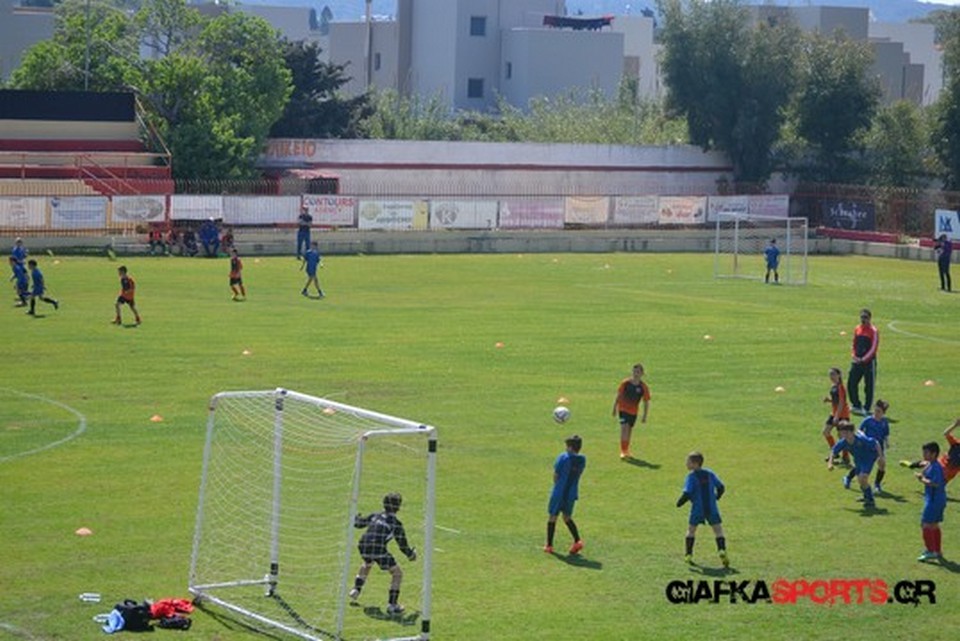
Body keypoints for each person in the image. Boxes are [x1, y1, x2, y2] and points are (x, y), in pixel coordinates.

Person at [348, 492, 417, 615]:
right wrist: (411, 555)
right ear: (398, 507)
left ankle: (355, 590)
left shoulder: (376, 515)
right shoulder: (396, 525)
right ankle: (392, 605)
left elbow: (358, 524)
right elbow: (402, 545)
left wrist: (356, 517)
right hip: (378, 549)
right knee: (397, 574)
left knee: (367, 563)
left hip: (363, 545)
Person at [676, 451, 728, 567]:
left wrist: (679, 503)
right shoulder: (710, 474)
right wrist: (717, 497)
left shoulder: (691, 477)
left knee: (691, 530)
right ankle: (722, 550)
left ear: (695, 464)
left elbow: (687, 493)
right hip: (712, 508)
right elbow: (721, 487)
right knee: (718, 530)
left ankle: (688, 554)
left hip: (697, 509)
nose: (686, 464)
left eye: (688, 462)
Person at [545, 434, 586, 556]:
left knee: (553, 517)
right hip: (571, 493)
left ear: (570, 447)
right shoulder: (582, 460)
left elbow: (556, 475)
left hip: (559, 492)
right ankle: (577, 541)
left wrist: (557, 486)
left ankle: (549, 546)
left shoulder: (563, 457)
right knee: (567, 517)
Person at [827, 421, 881, 509]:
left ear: (852, 432)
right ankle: (866, 496)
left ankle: (870, 500)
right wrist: (830, 463)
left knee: (863, 478)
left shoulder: (861, 439)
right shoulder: (843, 442)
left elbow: (875, 443)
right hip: (858, 460)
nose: (845, 435)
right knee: (861, 480)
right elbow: (834, 451)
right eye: (843, 432)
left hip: (868, 458)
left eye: (847, 432)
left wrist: (881, 456)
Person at [846, 400, 890, 492]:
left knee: (882, 465)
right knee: (861, 466)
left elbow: (886, 434)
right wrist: (863, 437)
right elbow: (859, 430)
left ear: (883, 413)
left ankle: (877, 485)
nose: (876, 413)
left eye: (879, 411)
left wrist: (887, 443)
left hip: (879, 447)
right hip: (867, 447)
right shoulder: (868, 420)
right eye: (875, 410)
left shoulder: (884, 422)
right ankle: (848, 477)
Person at [900, 418, 960, 485]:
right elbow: (946, 434)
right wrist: (955, 425)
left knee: (935, 483)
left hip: (948, 473)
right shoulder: (957, 444)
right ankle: (911, 465)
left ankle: (919, 473)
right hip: (941, 462)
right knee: (926, 463)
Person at [916, 441, 947, 562]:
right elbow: (925, 466)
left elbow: (935, 483)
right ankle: (937, 551)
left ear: (934, 454)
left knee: (925, 524)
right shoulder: (932, 464)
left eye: (926, 452)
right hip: (937, 499)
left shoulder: (936, 467)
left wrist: (922, 479)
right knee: (934, 525)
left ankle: (930, 551)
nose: (924, 454)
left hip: (934, 500)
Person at [612, 363, 650, 460]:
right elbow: (619, 395)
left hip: (633, 412)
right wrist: (614, 407)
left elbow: (646, 401)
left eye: (638, 372)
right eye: (634, 371)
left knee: (629, 430)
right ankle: (623, 451)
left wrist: (645, 415)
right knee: (624, 428)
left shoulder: (643, 387)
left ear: (642, 374)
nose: (635, 374)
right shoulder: (625, 383)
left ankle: (626, 450)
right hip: (623, 409)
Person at [847, 308, 879, 416]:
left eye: (865, 317)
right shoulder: (857, 328)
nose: (863, 320)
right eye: (862, 317)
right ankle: (856, 404)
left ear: (870, 318)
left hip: (869, 362)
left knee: (869, 386)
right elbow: (854, 343)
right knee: (851, 382)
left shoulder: (873, 331)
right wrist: (854, 355)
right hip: (857, 361)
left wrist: (864, 359)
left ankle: (867, 407)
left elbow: (874, 348)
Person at [822, 367, 851, 465]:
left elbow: (842, 402)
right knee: (826, 432)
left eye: (833, 374)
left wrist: (837, 416)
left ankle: (846, 458)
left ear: (839, 375)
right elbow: (836, 400)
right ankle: (835, 452)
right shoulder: (833, 386)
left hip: (842, 415)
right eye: (830, 374)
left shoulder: (840, 387)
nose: (832, 377)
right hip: (834, 413)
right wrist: (829, 400)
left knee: (842, 436)